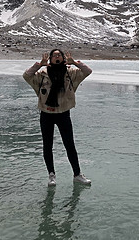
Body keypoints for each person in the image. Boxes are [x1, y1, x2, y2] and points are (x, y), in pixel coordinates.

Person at [23, 49, 92, 186]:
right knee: (47, 145)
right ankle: (51, 175)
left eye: (58, 55)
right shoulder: (42, 75)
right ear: (49, 59)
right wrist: (39, 65)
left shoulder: (71, 74)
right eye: (53, 55)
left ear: (63, 58)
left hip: (63, 114)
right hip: (46, 114)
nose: (56, 57)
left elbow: (87, 71)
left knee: (69, 145)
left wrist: (75, 63)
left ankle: (77, 174)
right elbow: (26, 75)